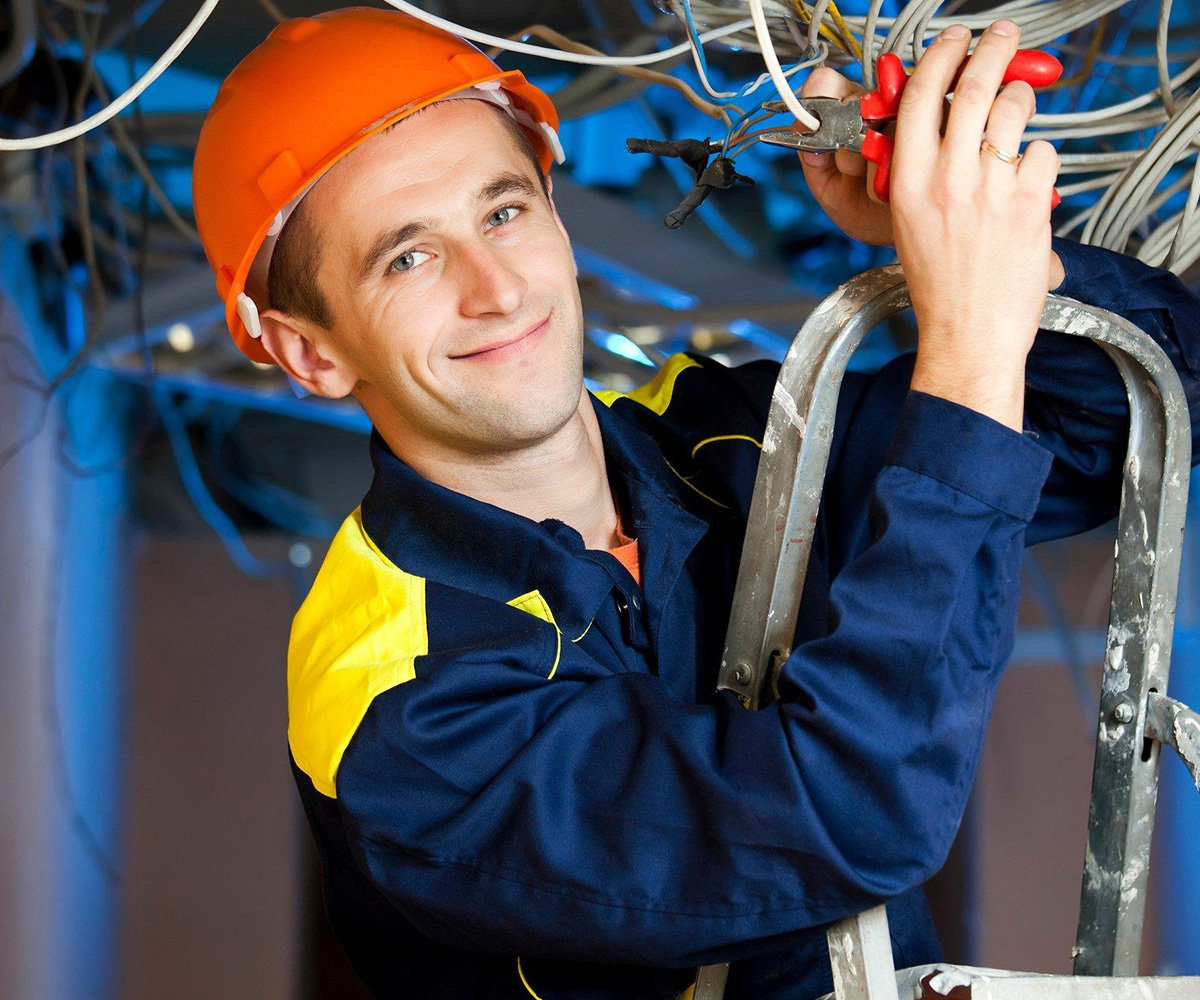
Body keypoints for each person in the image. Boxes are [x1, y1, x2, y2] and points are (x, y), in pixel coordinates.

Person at [192, 8, 1200, 1000]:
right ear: (309, 352)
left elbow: (1138, 417)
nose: (496, 288)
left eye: (503, 211)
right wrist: (969, 340)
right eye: (407, 257)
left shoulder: (719, 435)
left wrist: (976, 251)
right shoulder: (394, 706)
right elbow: (850, 808)